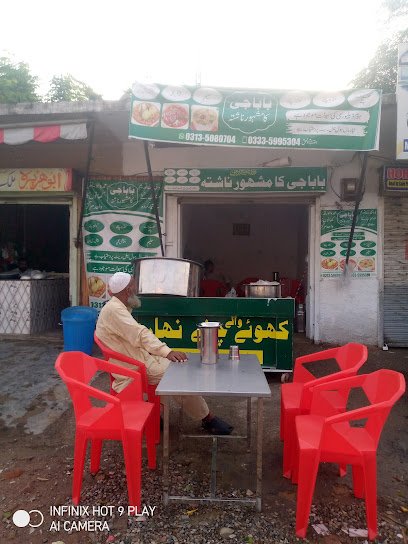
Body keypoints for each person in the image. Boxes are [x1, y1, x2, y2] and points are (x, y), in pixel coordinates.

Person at [96, 272, 233, 435]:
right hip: (134, 367)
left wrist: (163, 353)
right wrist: (166, 351)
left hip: (140, 359)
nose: (136, 290)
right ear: (128, 290)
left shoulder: (116, 307)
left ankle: (157, 414)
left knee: (181, 365)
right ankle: (208, 418)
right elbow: (140, 334)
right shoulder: (114, 310)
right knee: (179, 377)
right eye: (133, 286)